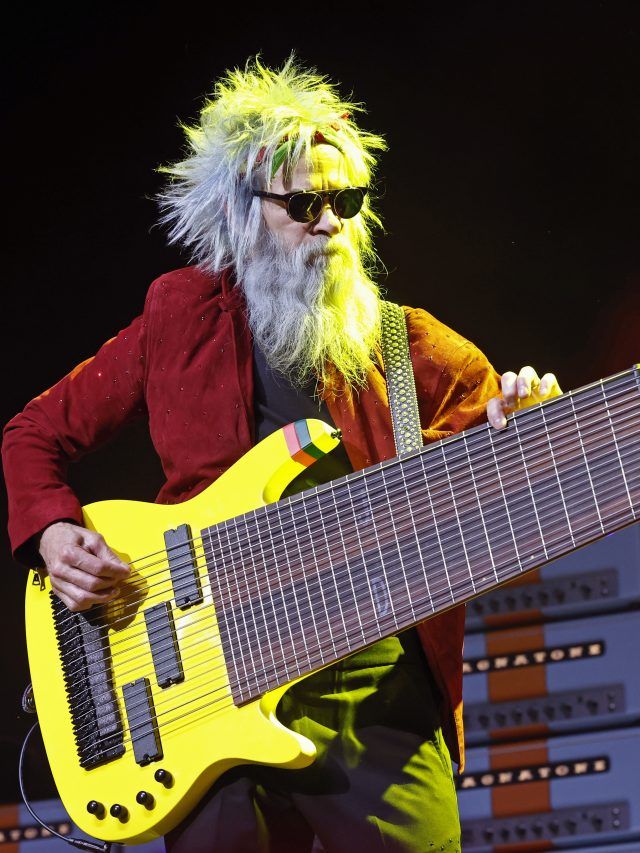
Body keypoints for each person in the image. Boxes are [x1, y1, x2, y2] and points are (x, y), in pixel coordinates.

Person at [2, 57, 560, 853]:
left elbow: (489, 466)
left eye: (348, 201)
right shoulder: (177, 316)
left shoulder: (410, 347)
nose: (331, 223)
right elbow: (31, 434)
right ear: (242, 210)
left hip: (371, 685)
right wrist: (55, 534)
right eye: (303, 203)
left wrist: (522, 426)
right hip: (202, 682)